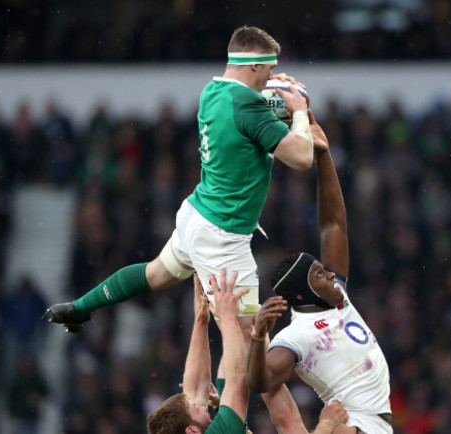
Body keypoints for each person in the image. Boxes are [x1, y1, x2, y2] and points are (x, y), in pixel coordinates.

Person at [44, 25, 313, 332]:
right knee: (249, 336)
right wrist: (299, 111)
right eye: (270, 68)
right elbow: (302, 158)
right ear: (253, 65)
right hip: (223, 236)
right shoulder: (248, 106)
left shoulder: (213, 92)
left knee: (156, 274)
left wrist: (275, 101)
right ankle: (227, 384)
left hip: (197, 215)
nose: (272, 75)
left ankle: (80, 308)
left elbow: (246, 120)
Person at [245, 112, 394, 433]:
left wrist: (323, 155)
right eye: (317, 274)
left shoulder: (337, 296)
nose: (328, 274)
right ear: (302, 295)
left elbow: (333, 224)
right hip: (352, 425)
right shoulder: (297, 336)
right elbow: (261, 382)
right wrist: (258, 337)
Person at [146, 271, 349, 434]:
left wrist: (201, 321)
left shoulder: (188, 428)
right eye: (197, 408)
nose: (202, 405)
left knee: (262, 383)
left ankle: (254, 330)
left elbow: (194, 389)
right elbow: (237, 377)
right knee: (341, 426)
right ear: (191, 431)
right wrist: (227, 318)